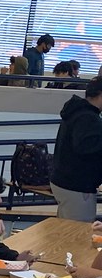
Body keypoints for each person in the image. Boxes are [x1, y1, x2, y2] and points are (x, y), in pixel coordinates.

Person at [49, 77, 102, 221]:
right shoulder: (87, 117)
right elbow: (86, 147)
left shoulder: (77, 111)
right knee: (77, 233)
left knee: (64, 228)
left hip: (64, 180)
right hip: (77, 184)